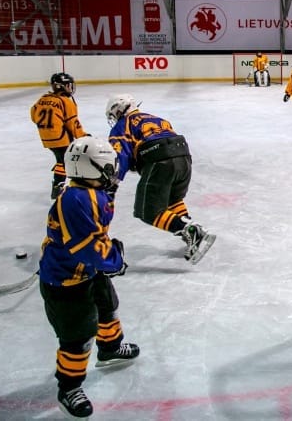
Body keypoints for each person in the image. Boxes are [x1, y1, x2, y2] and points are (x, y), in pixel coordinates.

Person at [39, 136, 138, 418]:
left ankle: (110, 347)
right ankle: (69, 387)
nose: (111, 172)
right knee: (78, 336)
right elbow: (87, 249)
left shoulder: (89, 189)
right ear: (90, 169)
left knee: (107, 307)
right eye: (107, 167)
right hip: (66, 281)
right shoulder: (76, 200)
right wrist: (114, 260)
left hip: (88, 272)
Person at [106, 94, 215, 263]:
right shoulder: (155, 118)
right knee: (172, 199)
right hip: (184, 157)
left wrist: (113, 183)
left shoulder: (122, 125)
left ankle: (192, 231)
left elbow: (121, 155)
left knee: (148, 211)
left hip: (160, 160)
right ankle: (191, 235)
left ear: (118, 110)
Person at [30, 72, 89, 199]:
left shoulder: (42, 99)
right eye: (68, 85)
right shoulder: (65, 102)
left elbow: (34, 116)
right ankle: (59, 187)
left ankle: (59, 185)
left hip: (47, 138)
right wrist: (83, 136)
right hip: (61, 138)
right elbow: (72, 123)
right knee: (66, 161)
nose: (70, 88)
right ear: (61, 86)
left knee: (61, 160)